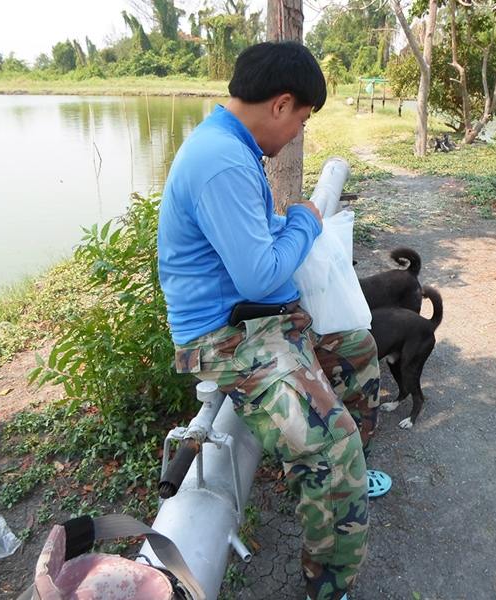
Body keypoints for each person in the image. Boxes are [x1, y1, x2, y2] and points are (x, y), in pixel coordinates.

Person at [157, 41, 383, 600]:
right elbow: (260, 274)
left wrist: (289, 226)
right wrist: (305, 220)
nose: (296, 134)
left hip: (259, 319)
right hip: (225, 335)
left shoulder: (232, 147)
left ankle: (340, 490)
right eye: (302, 119)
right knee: (332, 448)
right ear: (281, 104)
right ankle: (329, 583)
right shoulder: (220, 160)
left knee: (357, 350)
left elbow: (255, 250)